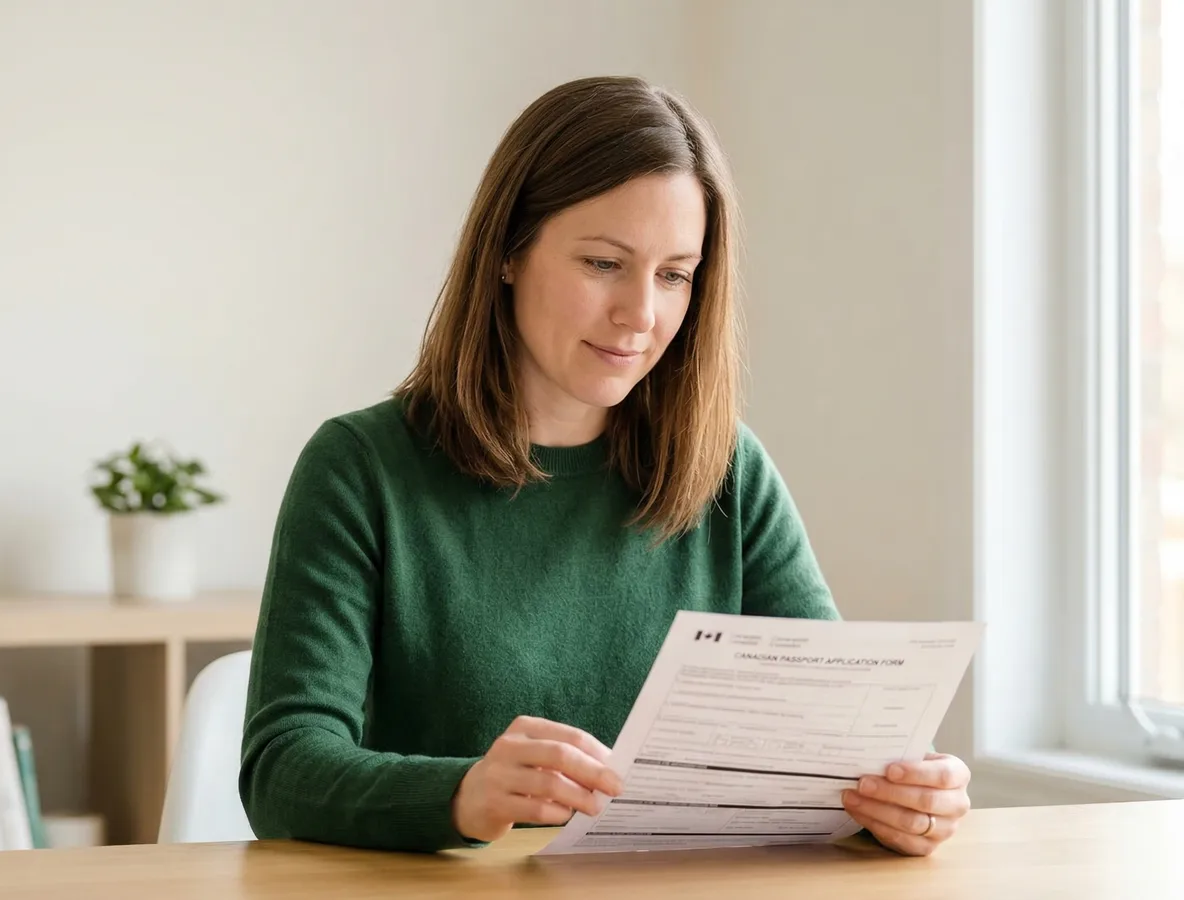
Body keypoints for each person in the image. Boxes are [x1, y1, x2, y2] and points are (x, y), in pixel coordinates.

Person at [238, 75, 971, 857]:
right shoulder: (361, 470)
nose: (640, 315)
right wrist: (462, 793)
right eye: (602, 263)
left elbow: (831, 745)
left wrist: (900, 797)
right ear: (509, 252)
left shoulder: (726, 470)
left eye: (674, 274)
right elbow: (283, 768)